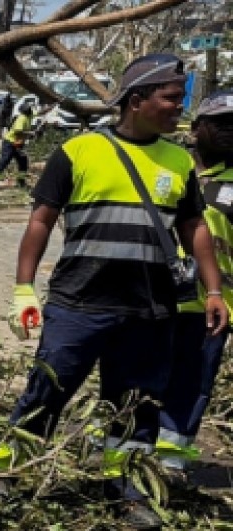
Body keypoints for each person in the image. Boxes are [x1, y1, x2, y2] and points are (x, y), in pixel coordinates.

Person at [0, 55, 228, 530]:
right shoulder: (77, 152)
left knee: (134, 404)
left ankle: (123, 486)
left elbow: (194, 227)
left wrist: (214, 289)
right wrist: (23, 289)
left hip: (149, 309)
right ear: (136, 101)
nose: (178, 109)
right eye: (170, 99)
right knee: (47, 391)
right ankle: (5, 472)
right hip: (79, 303)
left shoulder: (178, 161)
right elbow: (41, 221)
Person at [158, 90, 233, 479]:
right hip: (156, 299)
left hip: (211, 308)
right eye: (221, 124)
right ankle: (127, 454)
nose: (229, 133)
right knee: (144, 377)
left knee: (193, 384)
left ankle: (170, 462)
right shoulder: (170, 168)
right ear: (197, 126)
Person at [0, 101, 35, 188]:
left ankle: (21, 181)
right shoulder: (22, 118)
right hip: (10, 143)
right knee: (5, 160)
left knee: (23, 162)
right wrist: (30, 133)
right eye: (29, 109)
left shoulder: (30, 116)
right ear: (25, 111)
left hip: (19, 144)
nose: (31, 110)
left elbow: (41, 112)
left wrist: (53, 105)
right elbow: (18, 132)